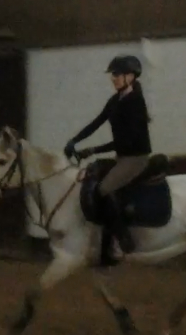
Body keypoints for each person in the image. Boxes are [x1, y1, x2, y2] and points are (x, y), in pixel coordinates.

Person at [64, 54, 152, 261]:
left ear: (130, 76)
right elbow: (96, 122)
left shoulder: (136, 102)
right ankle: (102, 242)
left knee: (103, 189)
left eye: (117, 74)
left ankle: (123, 239)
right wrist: (74, 140)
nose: (113, 78)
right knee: (91, 179)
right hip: (121, 157)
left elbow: (127, 140)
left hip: (136, 159)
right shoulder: (115, 101)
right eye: (112, 74)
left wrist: (94, 150)